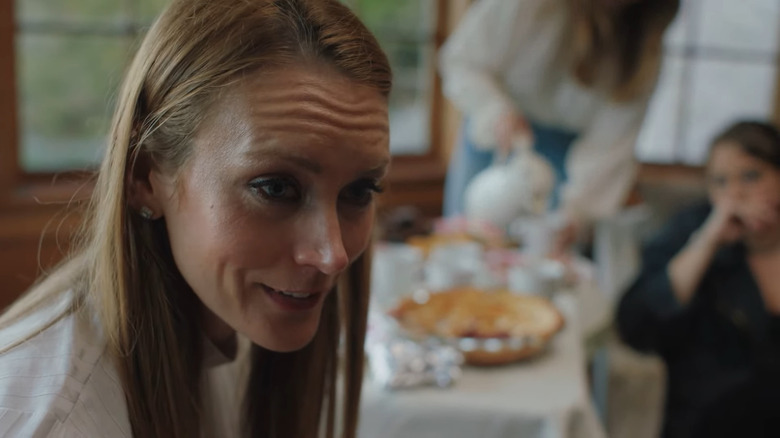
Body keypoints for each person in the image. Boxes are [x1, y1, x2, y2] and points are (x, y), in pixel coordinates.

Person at [0, 0, 391, 436]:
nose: (332, 255)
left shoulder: (226, 322)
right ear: (144, 176)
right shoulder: (56, 421)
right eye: (276, 188)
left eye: (359, 192)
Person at [439, 0, 679, 252]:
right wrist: (495, 111)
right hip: (493, 137)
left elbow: (610, 145)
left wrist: (576, 212)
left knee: (541, 253)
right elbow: (462, 59)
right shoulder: (526, 6)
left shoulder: (642, 52)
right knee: (466, 246)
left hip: (568, 165)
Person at [617, 121, 780, 438]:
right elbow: (636, 323)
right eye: (719, 182)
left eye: (751, 176)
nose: (733, 194)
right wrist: (707, 242)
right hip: (707, 421)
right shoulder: (692, 228)